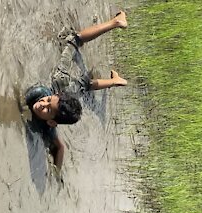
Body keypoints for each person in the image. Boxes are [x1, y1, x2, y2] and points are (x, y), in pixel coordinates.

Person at [22, 11, 128, 178]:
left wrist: (56, 174)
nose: (42, 104)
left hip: (66, 91)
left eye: (48, 109)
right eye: (46, 102)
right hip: (60, 82)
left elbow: (60, 148)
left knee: (81, 70)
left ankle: (116, 25)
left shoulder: (48, 122)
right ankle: (115, 78)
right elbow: (23, 105)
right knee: (76, 51)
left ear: (51, 122)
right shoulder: (41, 94)